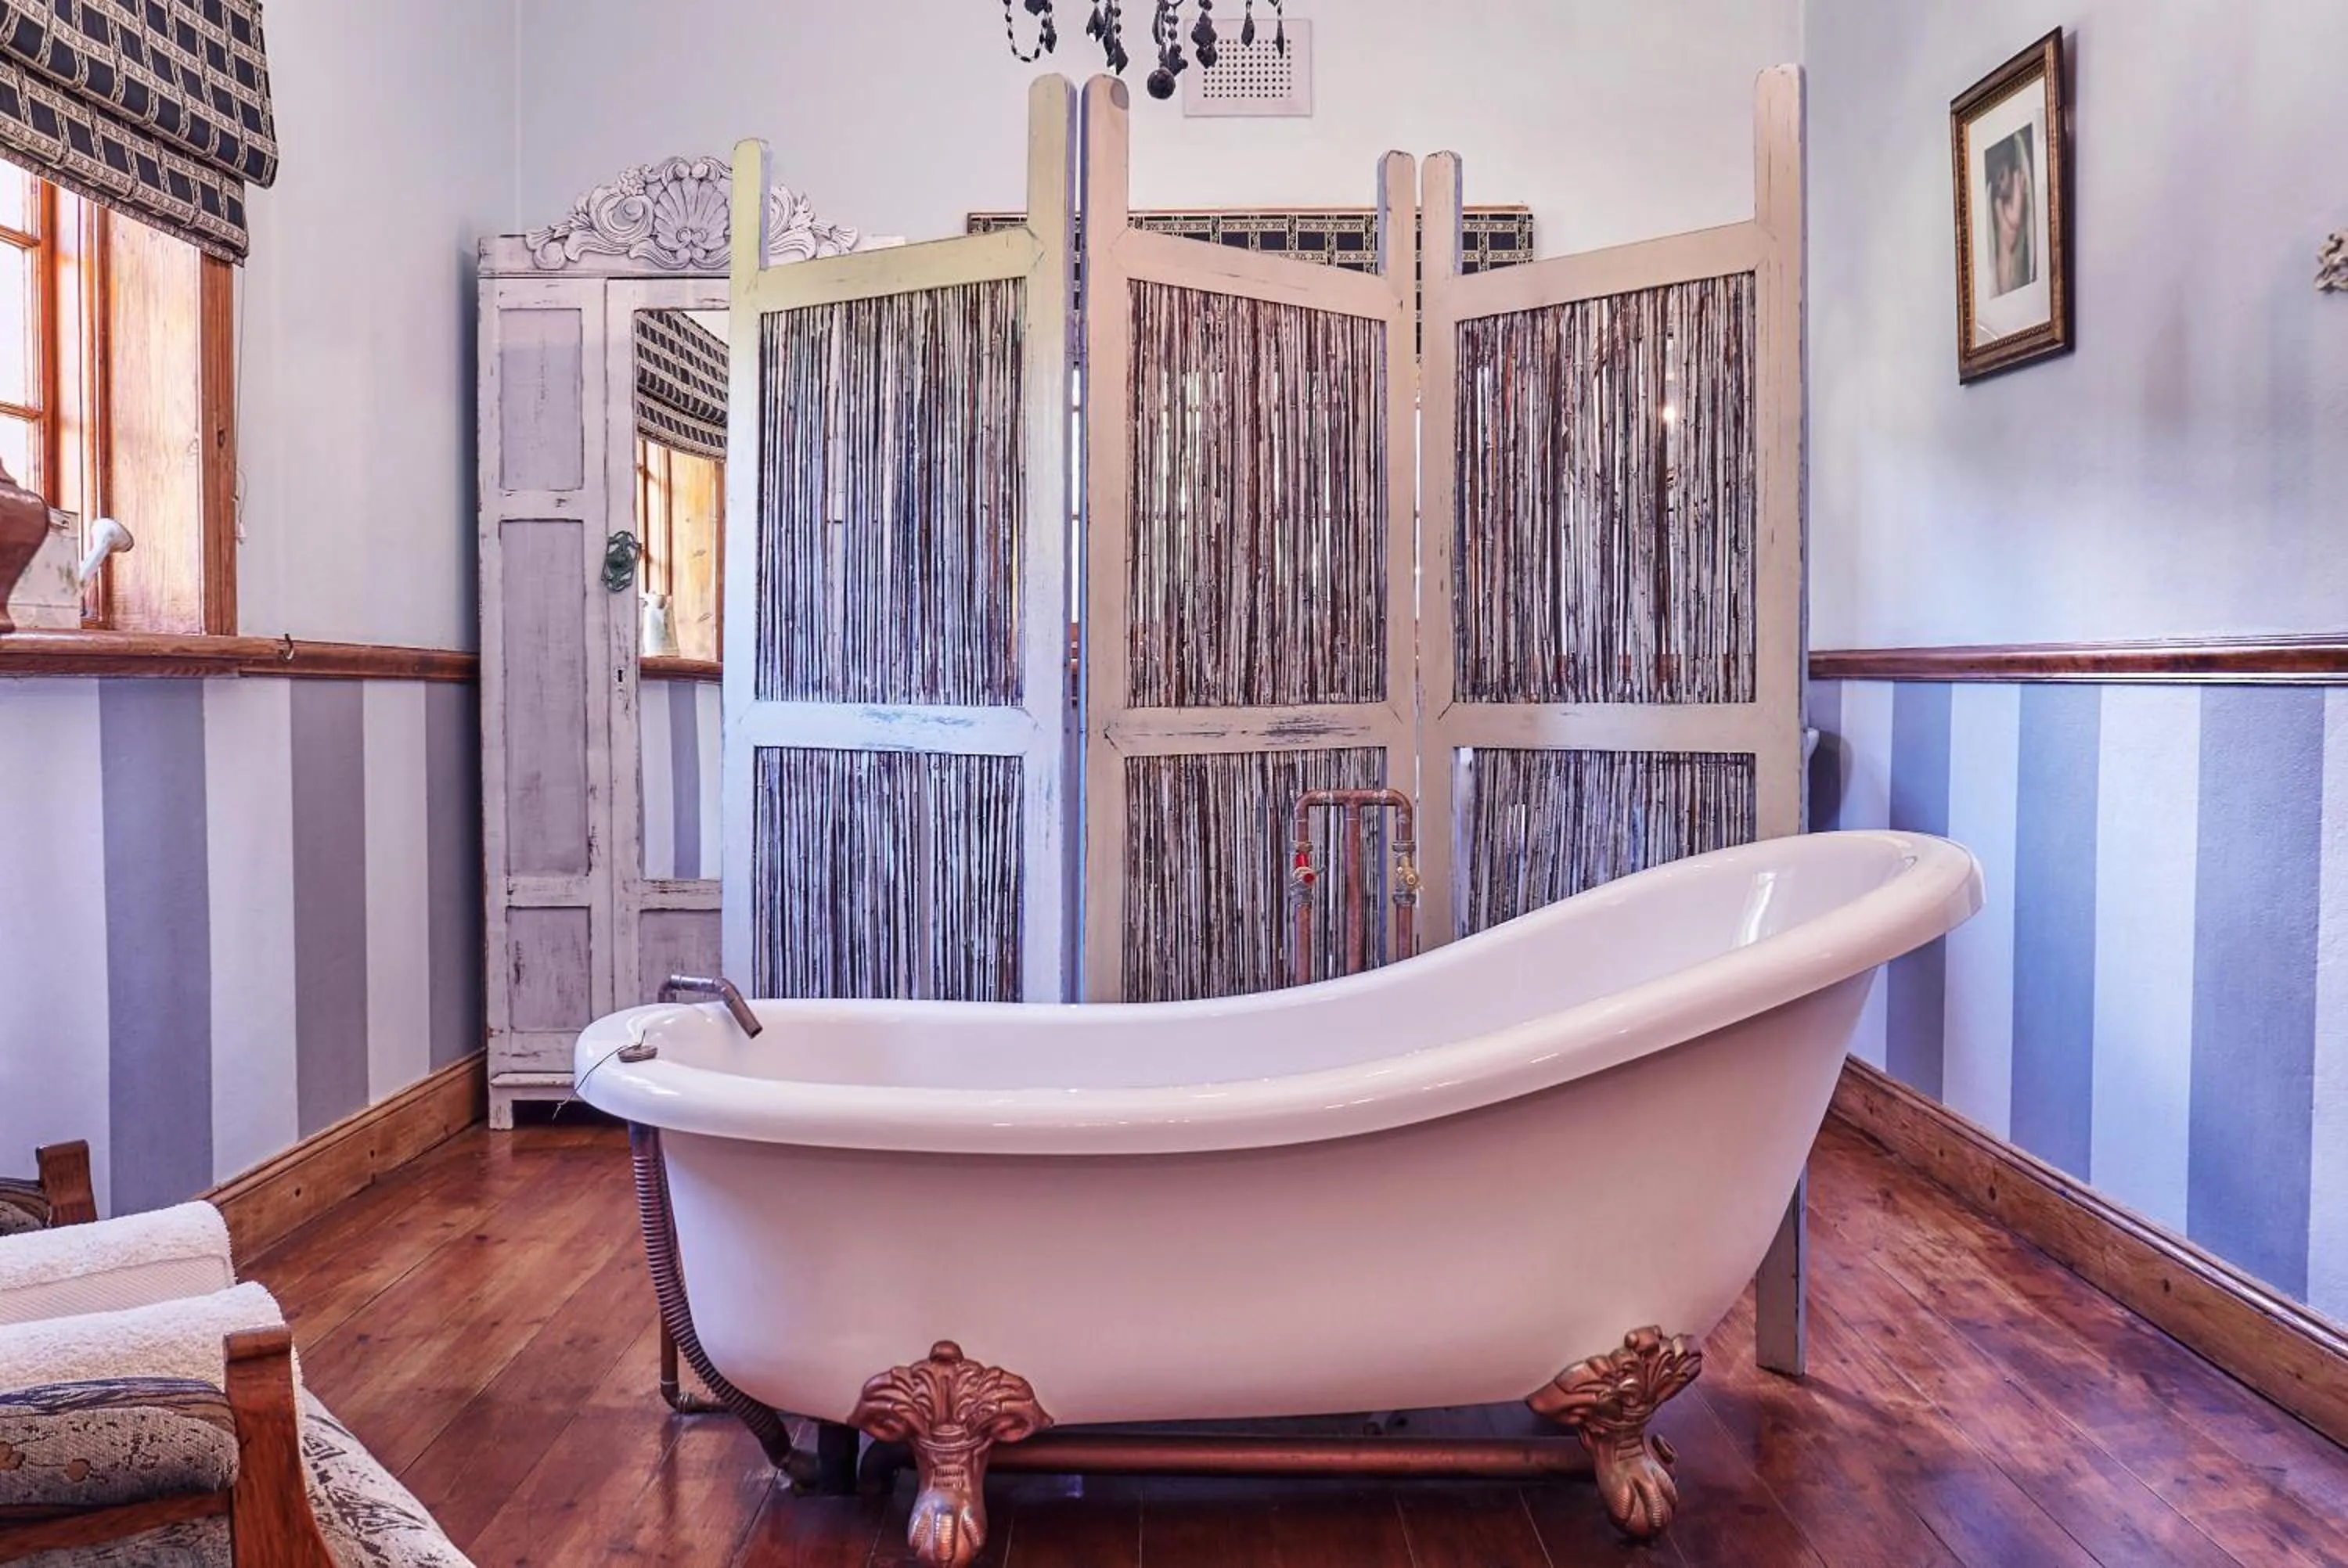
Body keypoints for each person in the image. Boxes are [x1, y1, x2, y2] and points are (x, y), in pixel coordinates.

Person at [1986, 127, 2036, 296]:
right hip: (2005, 271)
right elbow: (2010, 232)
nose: (2000, 186)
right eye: (1996, 181)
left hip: (2013, 269)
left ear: (2011, 170)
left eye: (2002, 176)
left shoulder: (2009, 196)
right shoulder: (2000, 203)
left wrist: (2016, 190)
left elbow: (2014, 225)